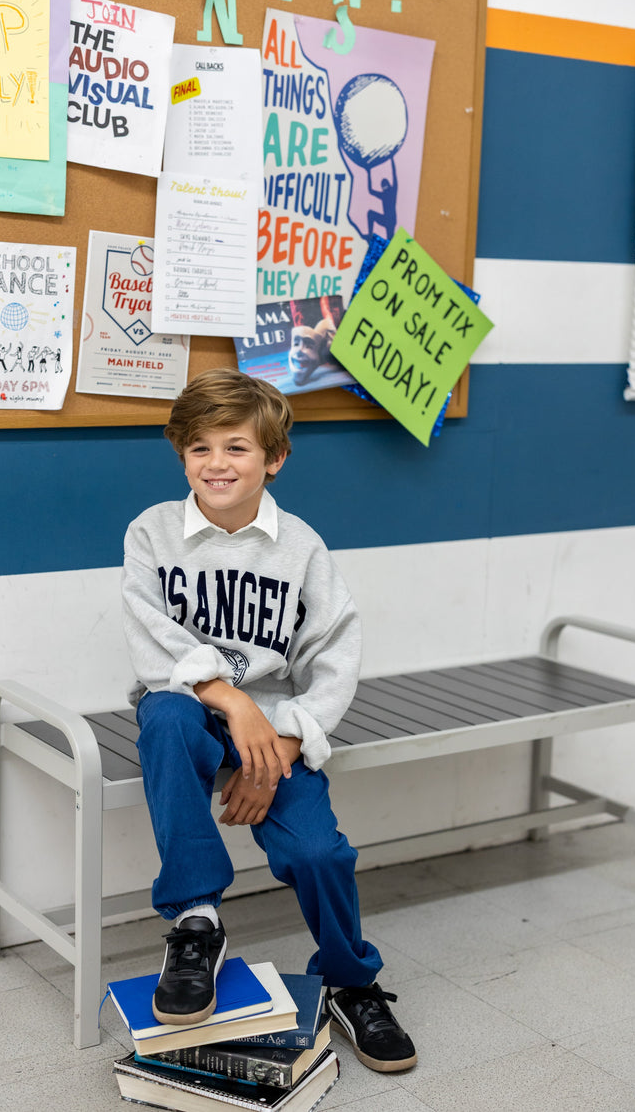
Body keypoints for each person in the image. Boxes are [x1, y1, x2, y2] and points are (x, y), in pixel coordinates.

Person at [121, 368, 416, 1073]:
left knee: (319, 853)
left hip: (276, 727)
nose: (216, 463)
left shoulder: (302, 547)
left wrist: (280, 745)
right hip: (195, 709)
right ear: (179, 453)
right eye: (199, 448)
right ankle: (197, 918)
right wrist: (232, 699)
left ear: (274, 458)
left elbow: (335, 656)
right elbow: (150, 638)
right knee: (163, 713)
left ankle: (351, 980)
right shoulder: (152, 532)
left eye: (236, 447)